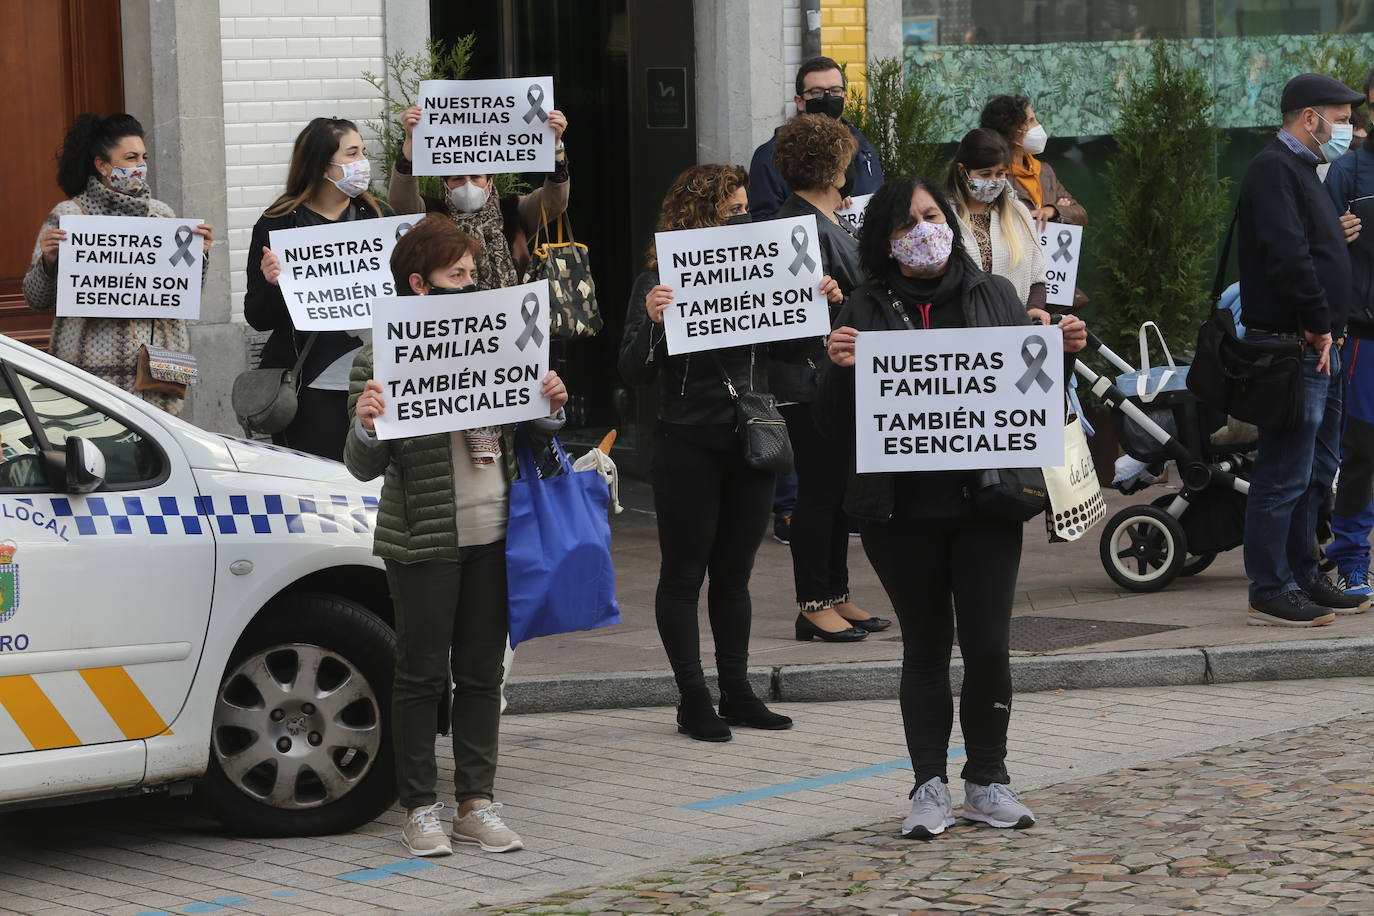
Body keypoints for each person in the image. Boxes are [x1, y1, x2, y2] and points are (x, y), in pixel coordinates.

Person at [817, 176, 1087, 839]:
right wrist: (838, 370)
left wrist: (1063, 356)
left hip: (985, 508)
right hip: (901, 512)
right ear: (885, 240)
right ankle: (928, 785)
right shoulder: (863, 307)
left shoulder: (994, 295)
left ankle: (988, 779)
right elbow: (829, 428)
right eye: (906, 224)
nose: (923, 231)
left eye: (932, 215)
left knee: (989, 645)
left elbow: (1036, 406)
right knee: (927, 647)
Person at [345, 214, 568, 857]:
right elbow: (361, 465)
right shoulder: (378, 356)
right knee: (420, 675)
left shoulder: (497, 339)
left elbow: (532, 428)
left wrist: (550, 404)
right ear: (419, 284)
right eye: (458, 275)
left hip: (497, 530)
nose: (472, 285)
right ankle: (419, 806)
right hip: (423, 539)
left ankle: (477, 801)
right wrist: (367, 423)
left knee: (479, 673)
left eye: (474, 274)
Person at [619, 165, 798, 742]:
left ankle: (738, 690)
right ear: (700, 215)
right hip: (686, 439)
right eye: (734, 208)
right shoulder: (657, 277)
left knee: (735, 574)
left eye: (748, 207)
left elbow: (794, 348)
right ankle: (693, 696)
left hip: (748, 437)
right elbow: (631, 371)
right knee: (684, 574)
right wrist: (652, 322)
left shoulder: (762, 270)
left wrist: (818, 300)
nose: (745, 216)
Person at [1237, 72, 1369, 626]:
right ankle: (1270, 586)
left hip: (1323, 343)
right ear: (1309, 118)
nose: (1350, 130)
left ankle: (1305, 575)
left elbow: (1313, 247)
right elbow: (1288, 257)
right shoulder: (1274, 169)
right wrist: (1317, 325)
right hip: (1295, 345)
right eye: (1341, 120)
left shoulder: (1306, 170)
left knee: (1316, 471)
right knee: (1284, 471)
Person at [769, 114, 885, 641]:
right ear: (834, 168)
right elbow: (789, 320)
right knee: (818, 493)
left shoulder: (823, 221)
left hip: (829, 380)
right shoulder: (799, 228)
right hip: (808, 384)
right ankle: (814, 602)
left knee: (837, 490)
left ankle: (834, 592)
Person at [23, 113, 212, 416]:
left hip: (159, 372)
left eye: (143, 157)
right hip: (88, 374)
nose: (140, 165)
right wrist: (47, 262)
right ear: (102, 165)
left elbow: (180, 296)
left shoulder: (162, 216)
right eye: (130, 157)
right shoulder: (70, 216)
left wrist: (198, 257)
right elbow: (36, 299)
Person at [244, 117, 394, 460]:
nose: (362, 164)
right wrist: (272, 285)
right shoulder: (278, 222)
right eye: (352, 154)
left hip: (372, 381)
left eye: (363, 153)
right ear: (321, 164)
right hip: (309, 385)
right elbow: (257, 316)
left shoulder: (379, 216)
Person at [391, 105, 570, 285]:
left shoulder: (513, 210)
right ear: (445, 185)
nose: (467, 184)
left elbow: (554, 201)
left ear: (489, 182)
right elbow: (401, 201)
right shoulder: (432, 215)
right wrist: (411, 141)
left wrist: (554, 146)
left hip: (514, 307)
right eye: (458, 179)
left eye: (476, 177)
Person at [1323, 71, 1374, 597]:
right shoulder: (1349, 170)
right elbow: (1314, 245)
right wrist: (1332, 236)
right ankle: (1351, 558)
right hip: (1365, 335)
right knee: (1363, 452)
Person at [747, 56, 884, 222]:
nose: (827, 98)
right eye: (816, 92)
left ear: (845, 97)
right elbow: (766, 222)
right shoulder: (770, 155)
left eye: (835, 91)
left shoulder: (863, 148)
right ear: (799, 101)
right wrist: (824, 207)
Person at [946, 128, 1049, 312]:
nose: (994, 181)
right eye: (985, 174)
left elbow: (1037, 275)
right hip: (961, 330)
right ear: (962, 171)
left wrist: (1034, 308)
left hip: (1013, 327)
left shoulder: (1018, 213)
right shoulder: (942, 216)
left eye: (1000, 174)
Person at [978, 94, 1086, 235]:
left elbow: (1080, 214)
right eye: (1031, 121)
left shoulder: (1044, 171)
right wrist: (1046, 216)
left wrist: (1053, 211)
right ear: (1011, 131)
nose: (1038, 126)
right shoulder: (993, 177)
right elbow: (995, 226)